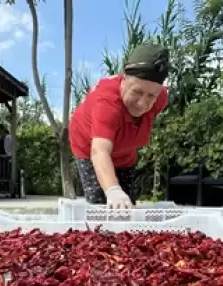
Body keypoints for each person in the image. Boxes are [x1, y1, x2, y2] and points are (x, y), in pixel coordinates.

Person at [69, 42, 170, 209]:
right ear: (124, 80)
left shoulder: (161, 99)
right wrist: (113, 190)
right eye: (137, 92)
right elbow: (99, 151)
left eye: (151, 96)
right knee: (103, 203)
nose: (142, 103)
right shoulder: (107, 104)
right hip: (90, 148)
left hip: (124, 153)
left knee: (127, 204)